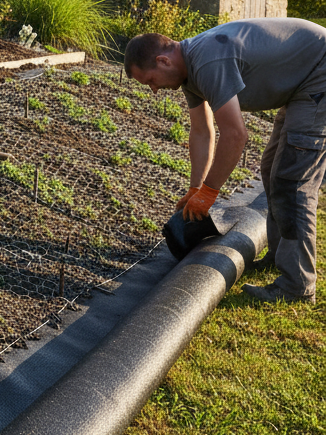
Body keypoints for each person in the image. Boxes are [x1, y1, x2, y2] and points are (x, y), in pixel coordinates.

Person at [123, 18, 326, 304]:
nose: (154, 90)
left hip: (319, 73)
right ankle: (281, 259)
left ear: (162, 60)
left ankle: (297, 286)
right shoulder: (189, 71)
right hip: (304, 81)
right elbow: (202, 131)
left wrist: (210, 191)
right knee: (271, 171)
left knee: (291, 181)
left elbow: (235, 135)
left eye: (150, 81)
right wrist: (196, 188)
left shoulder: (207, 61)